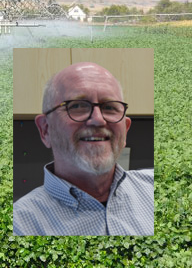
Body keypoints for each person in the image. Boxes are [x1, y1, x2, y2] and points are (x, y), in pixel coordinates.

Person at [13, 62, 153, 236]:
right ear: (45, 130)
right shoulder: (20, 226)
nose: (98, 120)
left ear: (125, 129)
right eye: (77, 106)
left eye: (109, 107)